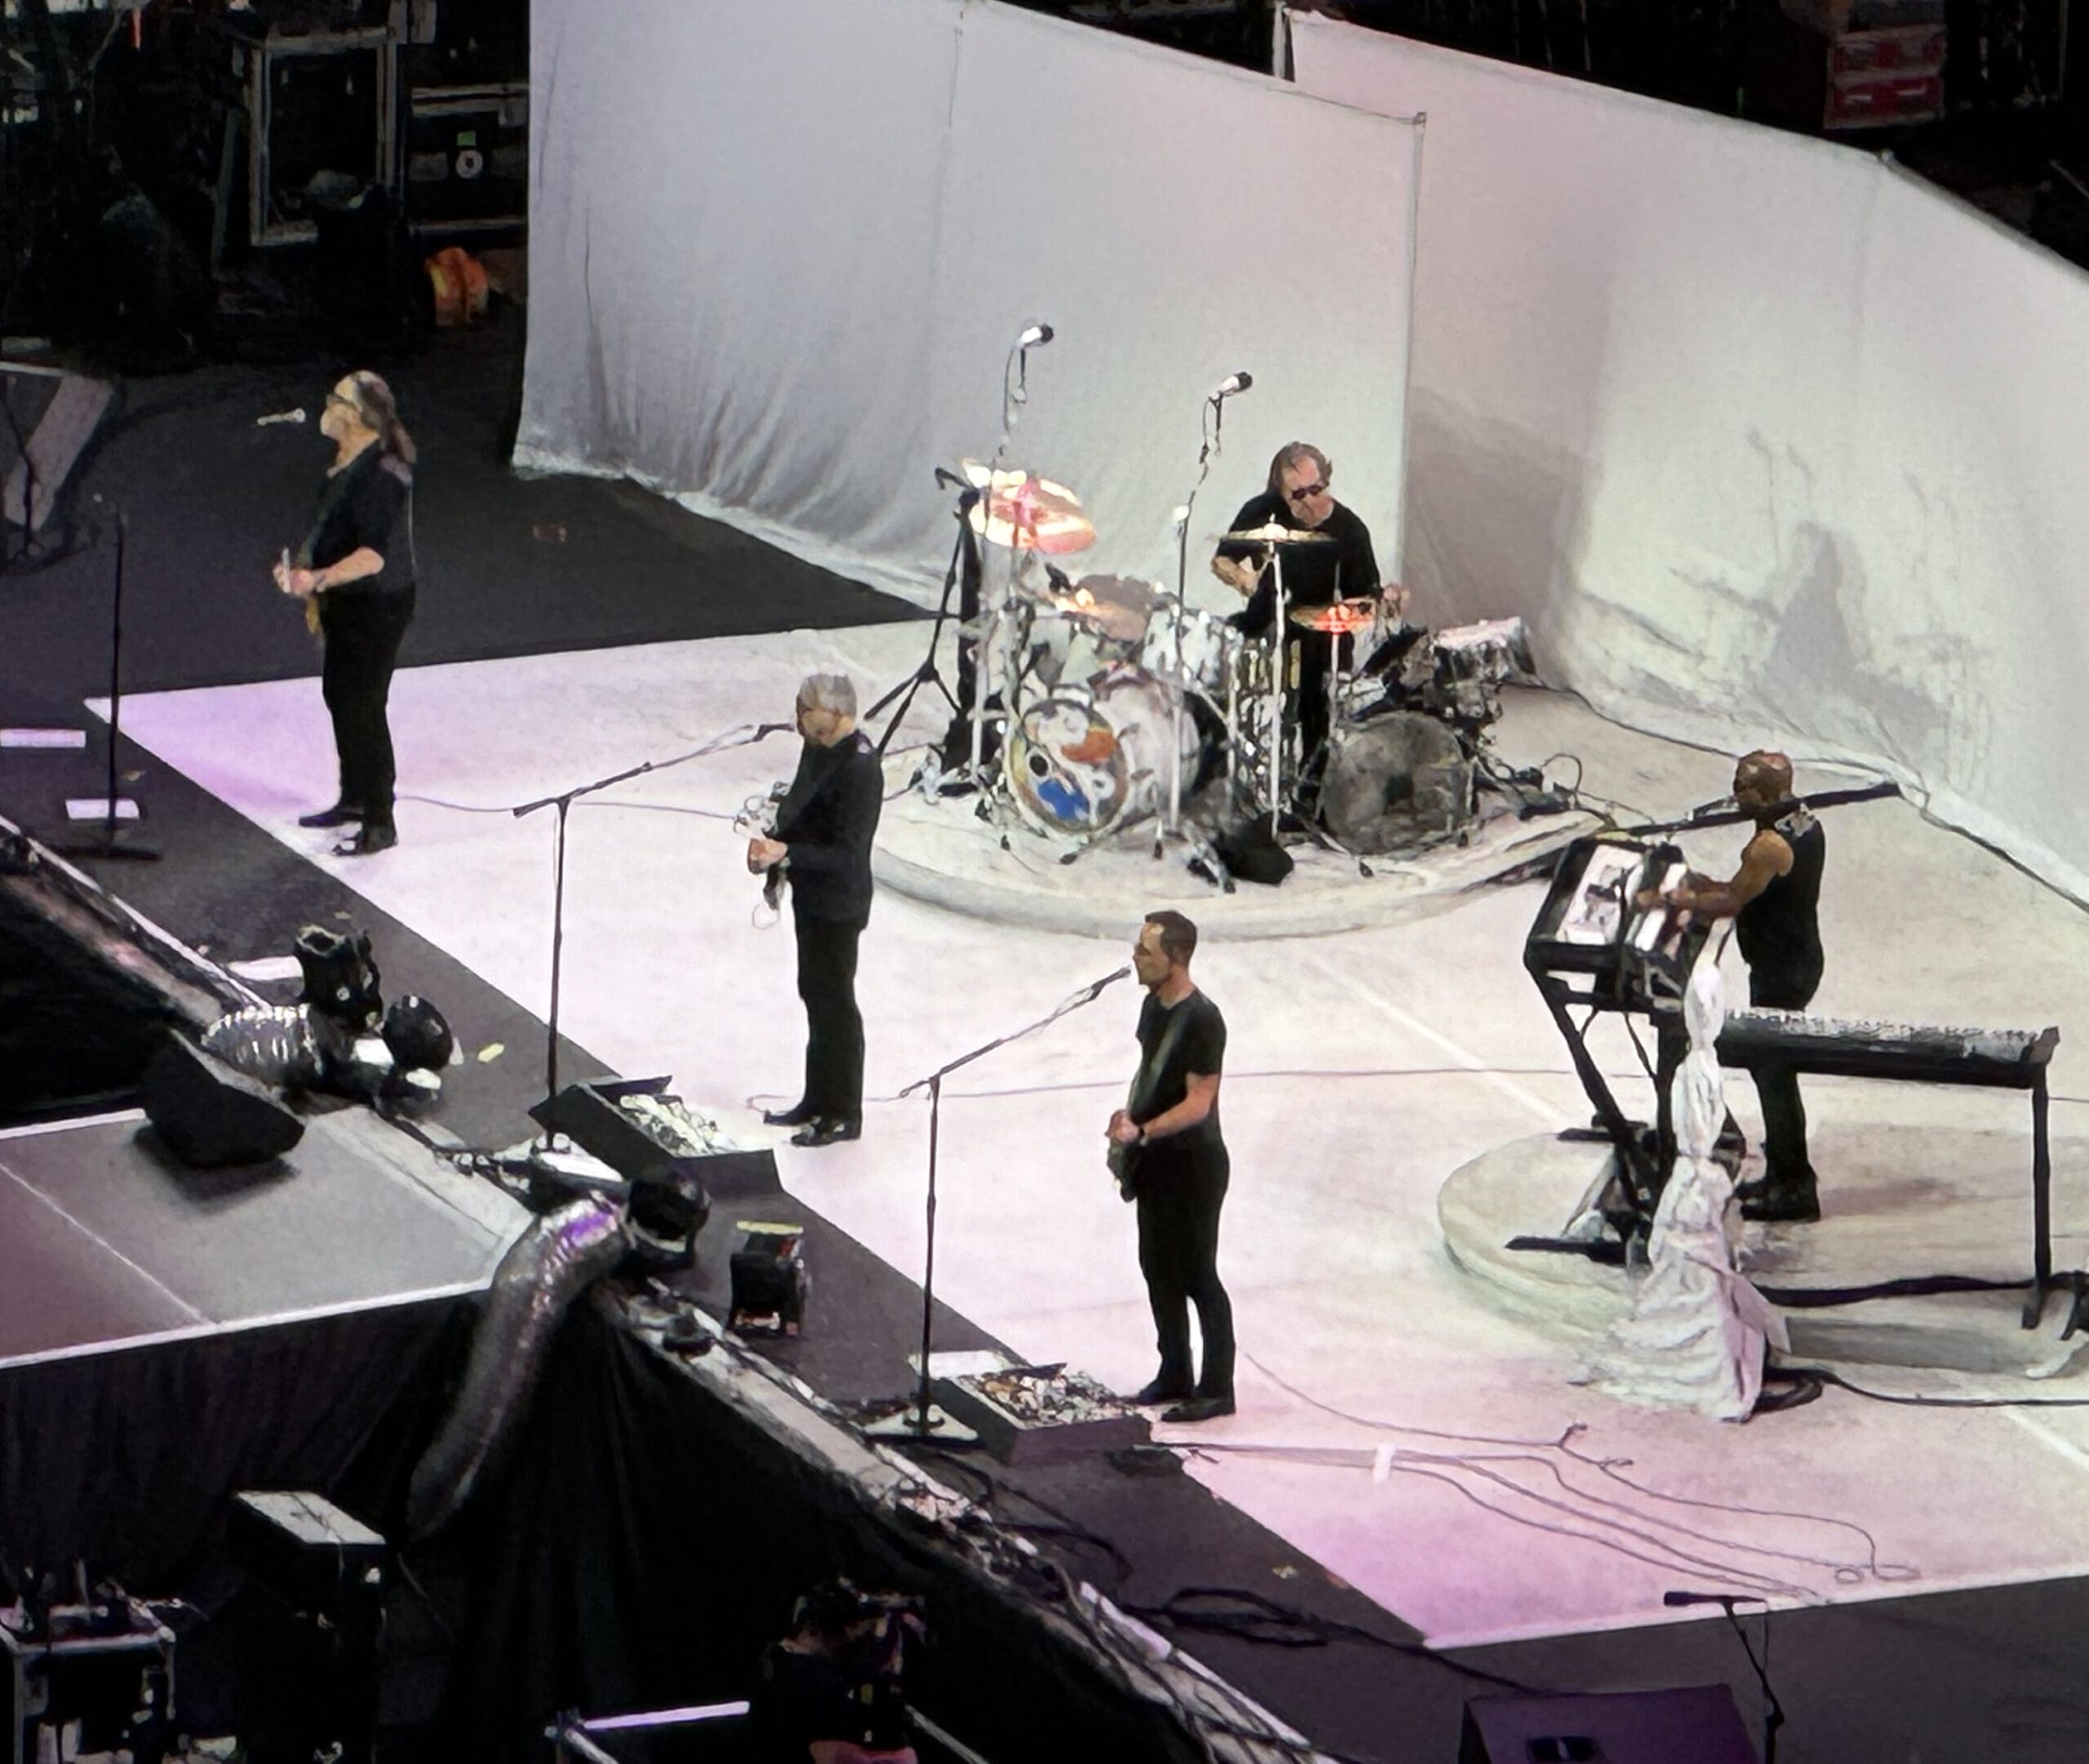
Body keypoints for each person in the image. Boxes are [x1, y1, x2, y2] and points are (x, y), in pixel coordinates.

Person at [1655, 750, 1826, 1222]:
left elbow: (1733, 899)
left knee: (1774, 1075)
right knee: (1771, 1071)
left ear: (1767, 793)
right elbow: (1744, 886)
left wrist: (1674, 898)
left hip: (1783, 967)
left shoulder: (1769, 844)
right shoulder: (1801, 821)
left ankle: (1795, 1187)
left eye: (1742, 787)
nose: (1735, 795)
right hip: (1790, 957)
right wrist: (1698, 881)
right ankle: (1784, 1173)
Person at [274, 370, 418, 857]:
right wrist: (302, 568)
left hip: (378, 603)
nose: (325, 405)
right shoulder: (343, 461)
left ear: (357, 416)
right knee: (339, 693)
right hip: (345, 600)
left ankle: (380, 818)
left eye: (334, 398)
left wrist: (316, 579)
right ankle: (355, 796)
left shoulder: (383, 474)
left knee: (364, 705)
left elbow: (373, 556)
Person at [1211, 441, 1399, 793]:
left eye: (1317, 489)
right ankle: (1219, 774)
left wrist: (1377, 603)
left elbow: (1365, 597)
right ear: (1281, 494)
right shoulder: (1263, 511)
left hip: (1321, 635)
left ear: (1327, 479)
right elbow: (1222, 560)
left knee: (1316, 696)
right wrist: (1245, 580)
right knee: (1208, 653)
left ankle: (1312, 788)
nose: (1309, 501)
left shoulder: (1350, 530)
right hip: (1264, 619)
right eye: (1297, 495)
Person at [1107, 910, 1235, 1422]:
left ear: (1177, 958)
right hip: (1156, 1160)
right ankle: (1175, 1370)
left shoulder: (1203, 1019)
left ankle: (1217, 1387)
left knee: (1197, 1273)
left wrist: (1146, 1130)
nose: (1136, 960)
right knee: (1157, 1268)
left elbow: (1199, 1102)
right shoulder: (1152, 1006)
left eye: (1146, 952)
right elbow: (1150, 1071)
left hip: (1194, 1165)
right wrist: (1128, 1115)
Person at [747, 675, 882, 1148]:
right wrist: (774, 832)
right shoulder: (819, 747)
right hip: (812, 894)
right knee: (815, 996)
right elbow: (806, 807)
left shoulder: (860, 769)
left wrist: (787, 852)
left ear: (836, 717)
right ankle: (817, 1098)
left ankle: (844, 1110)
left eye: (811, 718)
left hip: (839, 902)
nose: (805, 727)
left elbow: (848, 852)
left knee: (836, 1005)